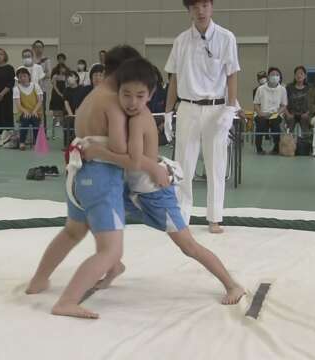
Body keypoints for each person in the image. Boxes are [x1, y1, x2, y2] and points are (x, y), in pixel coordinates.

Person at [82, 57, 245, 304]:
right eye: (126, 94)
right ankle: (113, 265)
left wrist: (97, 152)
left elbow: (134, 161)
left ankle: (232, 285)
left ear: (151, 95)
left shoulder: (139, 118)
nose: (132, 102)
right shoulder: (123, 113)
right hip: (133, 189)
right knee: (98, 215)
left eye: (139, 96)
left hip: (155, 193)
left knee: (188, 246)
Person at [25, 46, 168, 319]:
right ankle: (67, 300)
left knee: (72, 232)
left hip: (76, 174)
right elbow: (119, 150)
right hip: (100, 178)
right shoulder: (113, 102)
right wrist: (152, 164)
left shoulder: (94, 94)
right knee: (111, 250)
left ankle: (39, 280)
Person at [164, 0, 241, 234]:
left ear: (212, 7)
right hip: (187, 107)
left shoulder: (226, 38)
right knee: (183, 165)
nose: (201, 11)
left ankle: (215, 218)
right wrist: (168, 112)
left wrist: (230, 108)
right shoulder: (181, 41)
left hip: (216, 109)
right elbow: (174, 79)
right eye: (195, 6)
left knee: (216, 165)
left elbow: (232, 75)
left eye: (205, 5)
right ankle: (181, 216)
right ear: (189, 10)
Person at [253, 67, 287, 155]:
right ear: (268, 76)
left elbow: (284, 105)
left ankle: (276, 148)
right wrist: (260, 113)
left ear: (280, 77)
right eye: (272, 74)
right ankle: (259, 148)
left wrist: (277, 113)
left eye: (277, 75)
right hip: (262, 113)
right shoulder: (260, 89)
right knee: (260, 124)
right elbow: (256, 104)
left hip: (275, 114)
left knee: (276, 124)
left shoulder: (282, 89)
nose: (275, 76)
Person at [13, 67, 43, 151]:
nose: (22, 78)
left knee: (35, 120)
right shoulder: (16, 89)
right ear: (18, 78)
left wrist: (34, 111)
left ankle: (36, 143)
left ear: (28, 76)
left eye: (24, 76)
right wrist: (25, 111)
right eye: (20, 77)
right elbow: (18, 105)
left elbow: (40, 101)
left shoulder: (35, 86)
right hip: (23, 112)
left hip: (36, 111)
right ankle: (22, 142)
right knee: (25, 120)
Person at [285, 66, 310, 135]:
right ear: (294, 76)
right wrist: (287, 114)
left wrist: (307, 113)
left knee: (306, 128)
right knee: (289, 127)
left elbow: (313, 103)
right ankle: (289, 144)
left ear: (305, 76)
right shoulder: (289, 87)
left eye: (301, 74)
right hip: (291, 114)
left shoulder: (309, 88)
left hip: (304, 114)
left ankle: (306, 143)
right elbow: (283, 102)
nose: (299, 75)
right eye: (297, 74)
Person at [63, 71, 85, 148]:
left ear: (76, 78)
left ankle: (78, 142)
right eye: (67, 77)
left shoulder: (82, 89)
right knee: (67, 123)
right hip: (69, 113)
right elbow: (66, 103)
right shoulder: (66, 90)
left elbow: (83, 102)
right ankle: (67, 144)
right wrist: (71, 114)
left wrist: (78, 113)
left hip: (80, 113)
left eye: (71, 76)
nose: (69, 78)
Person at [32, 41, 52, 119]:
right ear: (33, 48)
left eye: (40, 47)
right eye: (36, 47)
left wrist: (38, 76)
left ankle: (43, 129)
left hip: (42, 89)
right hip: (31, 89)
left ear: (43, 48)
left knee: (42, 109)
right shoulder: (31, 60)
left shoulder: (46, 60)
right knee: (32, 108)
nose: (38, 49)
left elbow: (49, 74)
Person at [50, 63, 69, 130]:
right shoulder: (55, 76)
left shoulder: (66, 76)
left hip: (64, 92)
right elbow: (54, 86)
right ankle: (56, 121)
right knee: (56, 107)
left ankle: (62, 121)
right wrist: (59, 94)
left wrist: (65, 93)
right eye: (61, 68)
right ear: (58, 69)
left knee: (62, 107)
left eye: (63, 68)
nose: (62, 69)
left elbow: (67, 85)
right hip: (56, 93)